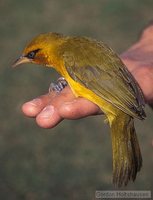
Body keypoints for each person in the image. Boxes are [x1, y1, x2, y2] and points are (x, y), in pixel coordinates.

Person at [22, 24, 153, 129]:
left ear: (45, 52)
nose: (28, 59)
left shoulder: (67, 57)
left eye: (31, 56)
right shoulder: (75, 45)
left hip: (116, 102)